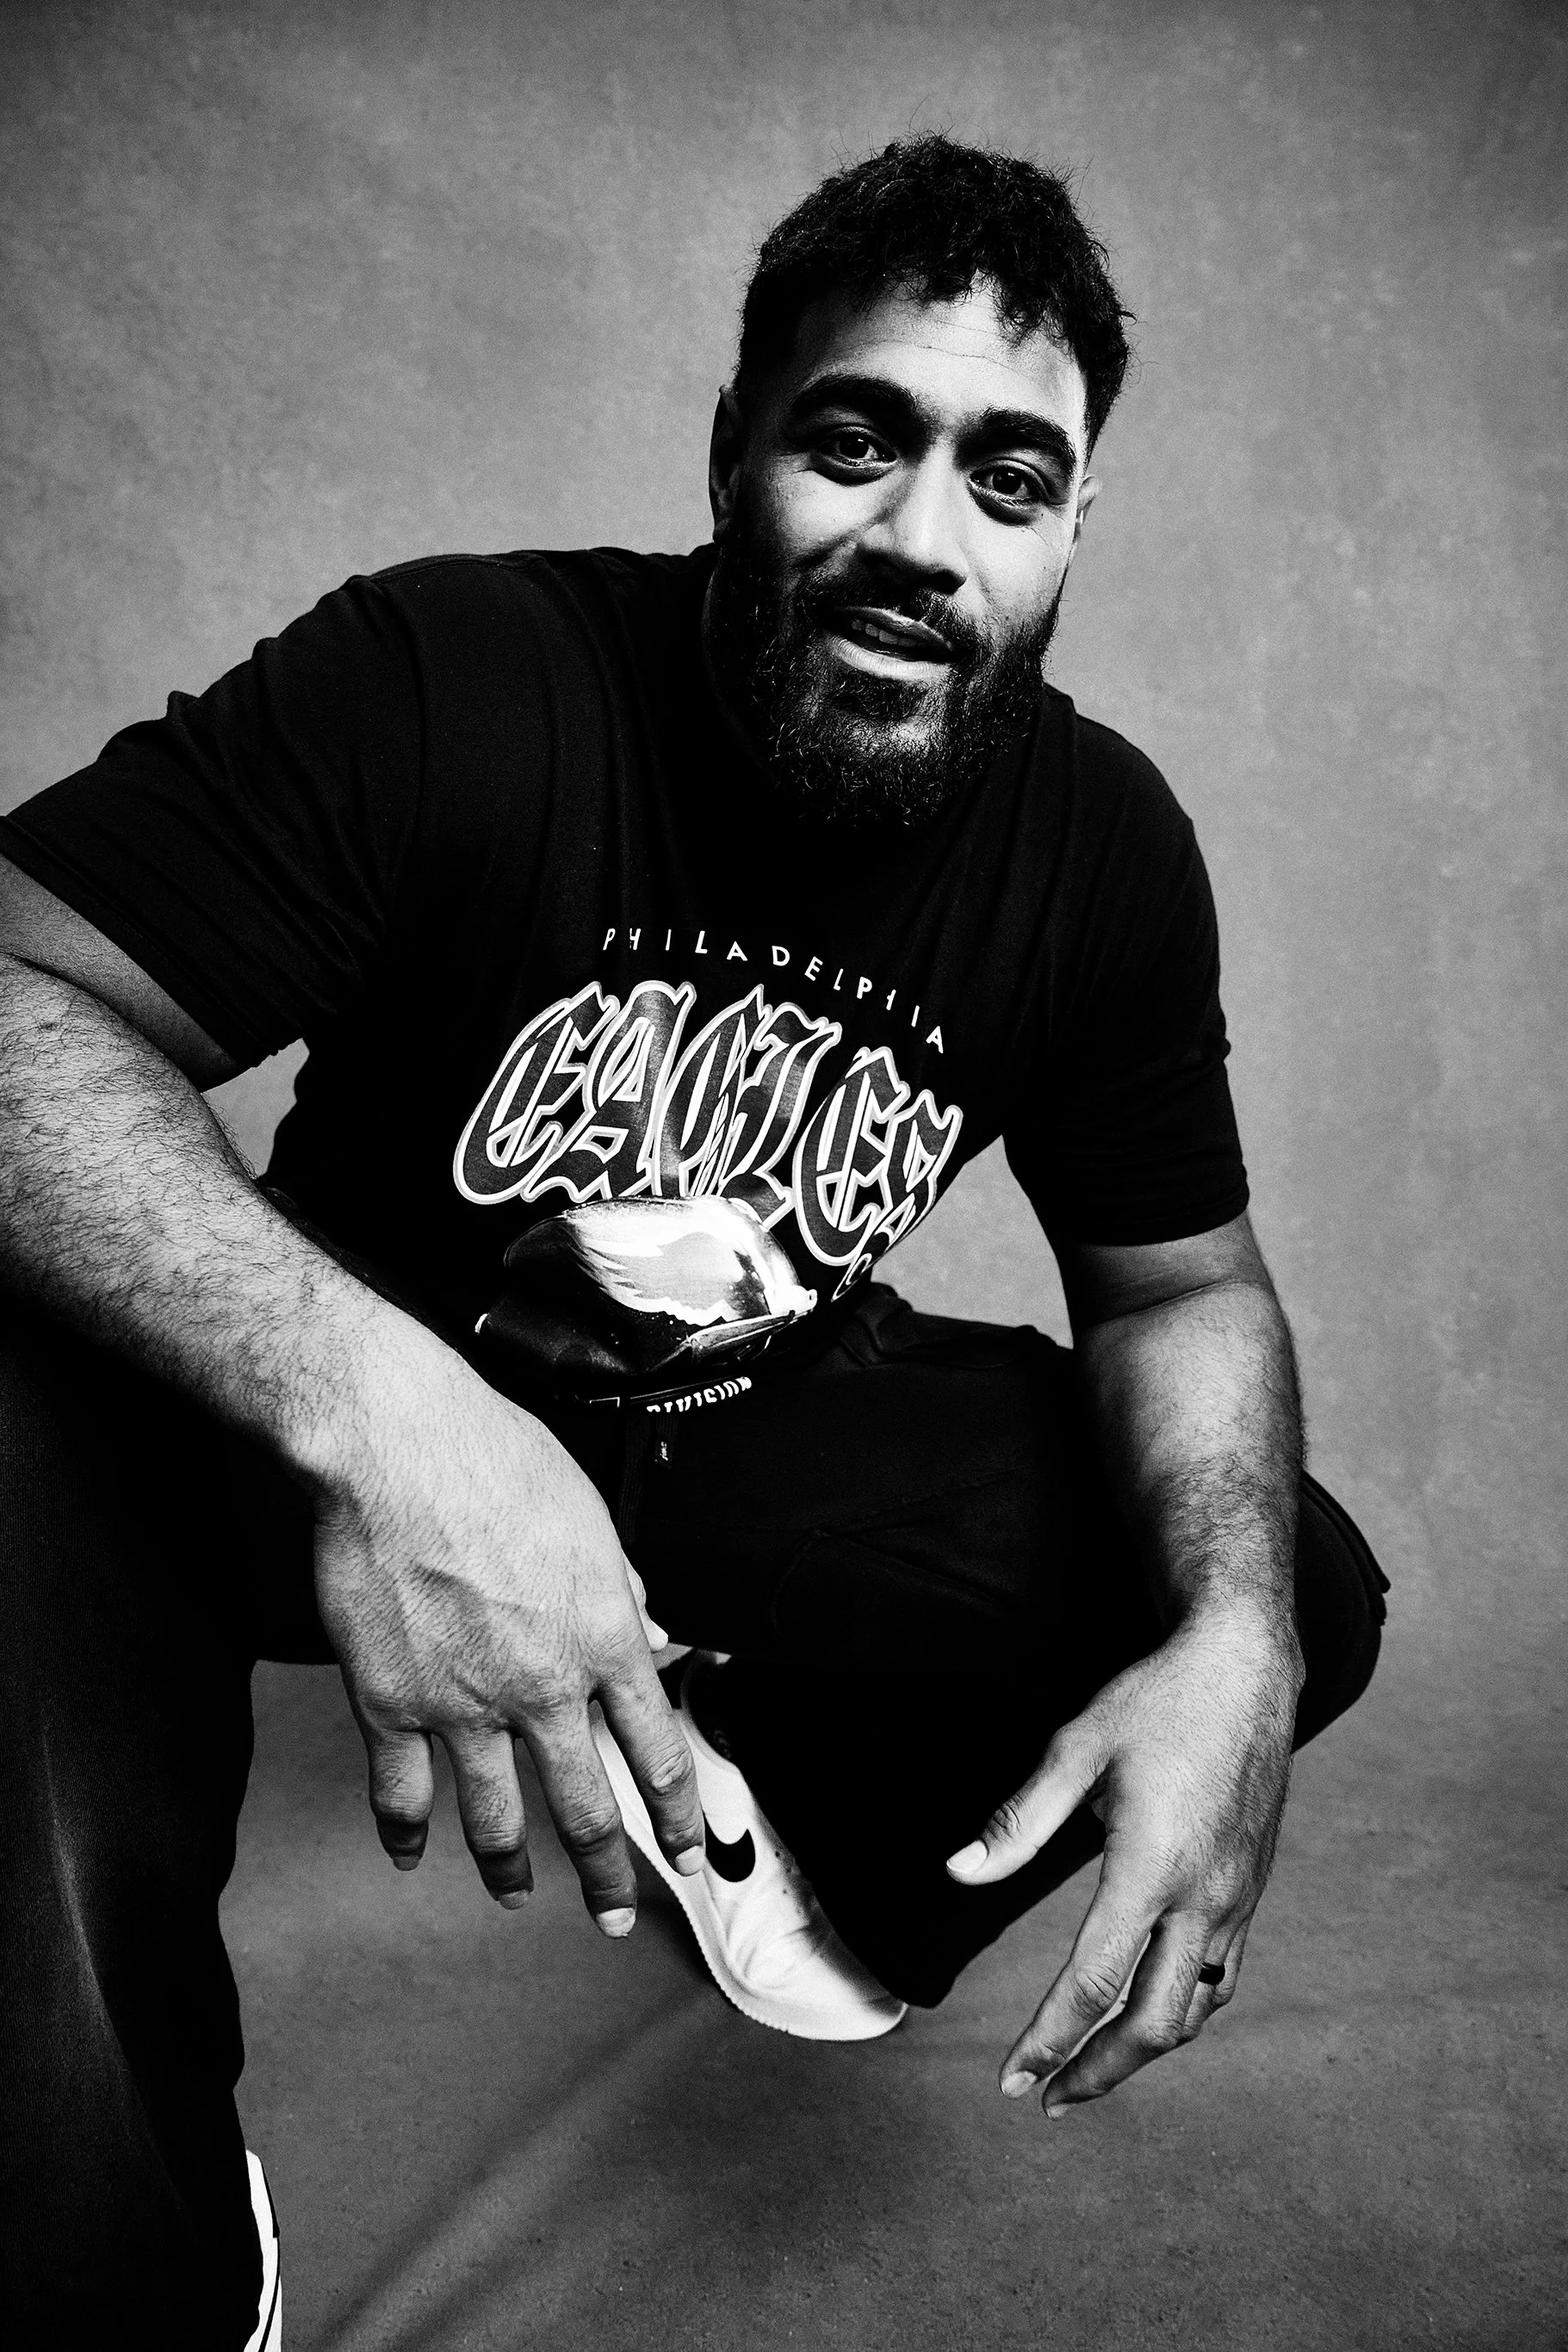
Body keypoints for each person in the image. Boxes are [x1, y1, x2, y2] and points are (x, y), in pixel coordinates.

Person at [0, 135, 1385, 2348]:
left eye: (1009, 481)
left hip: (725, 1437)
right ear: (734, 445)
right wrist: (380, 1411)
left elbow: (1180, 1285)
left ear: (1071, 527)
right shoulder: (457, 668)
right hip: (315, 1418)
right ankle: (126, 2256)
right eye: (859, 441)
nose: (923, 541)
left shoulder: (1101, 844)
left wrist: (1233, 1641)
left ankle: (785, 1836)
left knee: (1274, 1584)